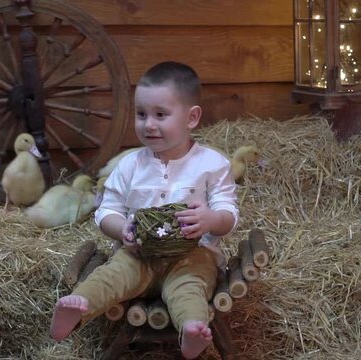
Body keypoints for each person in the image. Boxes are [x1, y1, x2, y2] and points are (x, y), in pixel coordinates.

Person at [49, 61, 239, 359]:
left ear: (191, 118)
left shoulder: (212, 165)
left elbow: (228, 214)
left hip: (191, 257)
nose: (148, 124)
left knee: (190, 288)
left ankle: (191, 329)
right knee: (111, 275)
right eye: (141, 115)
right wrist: (120, 228)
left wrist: (210, 218)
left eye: (160, 115)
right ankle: (77, 307)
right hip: (137, 254)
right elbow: (106, 210)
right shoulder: (129, 165)